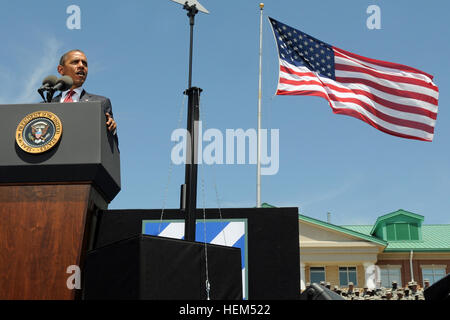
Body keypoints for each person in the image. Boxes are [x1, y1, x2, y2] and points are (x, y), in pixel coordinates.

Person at [53, 49, 118, 138]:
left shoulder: (101, 103)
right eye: (75, 62)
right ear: (61, 70)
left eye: (85, 64)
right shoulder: (47, 105)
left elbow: (111, 145)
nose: (81, 66)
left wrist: (112, 129)